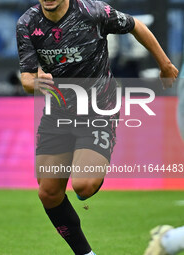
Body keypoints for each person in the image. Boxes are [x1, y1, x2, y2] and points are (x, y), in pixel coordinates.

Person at [16, 0, 178, 254]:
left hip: (97, 109)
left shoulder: (93, 12)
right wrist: (36, 83)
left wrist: (165, 64)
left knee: (83, 185)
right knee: (48, 192)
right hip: (57, 113)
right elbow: (26, 76)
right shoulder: (27, 23)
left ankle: (93, 159)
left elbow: (137, 25)